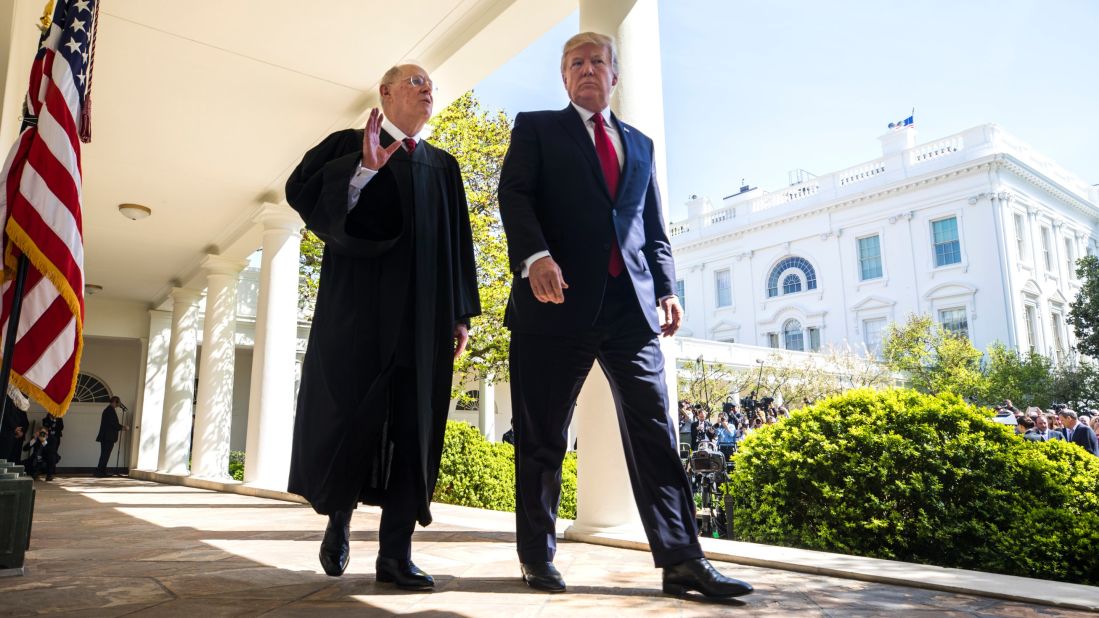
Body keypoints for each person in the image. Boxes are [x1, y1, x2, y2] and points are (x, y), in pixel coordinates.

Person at [498, 31, 752, 599]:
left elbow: (652, 228)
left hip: (629, 310)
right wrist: (535, 257)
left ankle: (683, 559)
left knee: (656, 433)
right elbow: (514, 195)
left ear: (615, 76)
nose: (587, 70)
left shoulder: (640, 144)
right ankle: (536, 557)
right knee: (542, 438)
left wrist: (667, 286)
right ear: (564, 77)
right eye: (575, 63)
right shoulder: (537, 128)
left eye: (597, 62)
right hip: (551, 303)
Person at [284, 63, 480, 588]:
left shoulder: (444, 166)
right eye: (415, 83)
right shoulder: (346, 146)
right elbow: (306, 200)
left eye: (431, 87)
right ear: (386, 92)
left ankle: (395, 554)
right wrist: (363, 173)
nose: (427, 91)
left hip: (424, 320)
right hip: (360, 315)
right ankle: (339, 521)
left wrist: (460, 313)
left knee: (416, 431)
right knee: (354, 417)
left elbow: (460, 244)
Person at [95, 396, 127, 477]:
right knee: (105, 455)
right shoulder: (109, 410)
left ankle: (100, 471)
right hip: (107, 437)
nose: (119, 404)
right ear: (115, 401)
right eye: (118, 402)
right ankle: (100, 472)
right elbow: (113, 423)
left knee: (104, 455)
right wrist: (123, 427)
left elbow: (112, 423)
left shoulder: (109, 410)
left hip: (107, 437)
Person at [41, 412, 64, 481]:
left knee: (54, 454)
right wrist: (52, 424)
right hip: (48, 439)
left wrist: (54, 423)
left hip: (56, 439)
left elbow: (61, 427)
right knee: (49, 454)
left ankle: (52, 470)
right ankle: (48, 470)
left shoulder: (59, 419)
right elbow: (46, 428)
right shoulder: (45, 419)